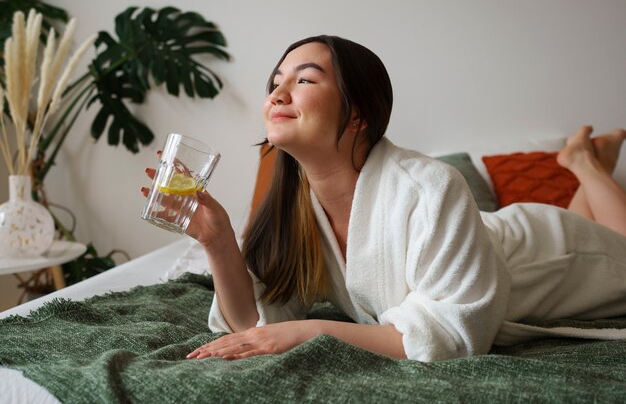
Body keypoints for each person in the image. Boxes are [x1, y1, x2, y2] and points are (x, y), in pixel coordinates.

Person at [142, 35, 626, 362]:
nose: (278, 93)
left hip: (551, 252)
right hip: (494, 243)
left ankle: (582, 162)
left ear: (359, 116)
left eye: (304, 80)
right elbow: (253, 325)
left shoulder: (430, 188)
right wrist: (219, 240)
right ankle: (589, 168)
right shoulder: (294, 207)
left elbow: (453, 335)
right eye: (275, 83)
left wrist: (312, 330)